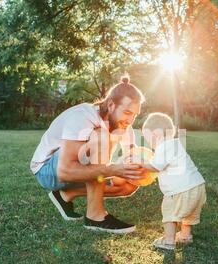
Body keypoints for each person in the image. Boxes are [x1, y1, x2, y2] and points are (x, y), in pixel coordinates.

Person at [30, 75, 146, 234]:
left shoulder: (124, 126)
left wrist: (146, 168)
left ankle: (66, 194)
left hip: (76, 171)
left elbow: (134, 156)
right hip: (48, 170)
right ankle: (95, 216)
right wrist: (113, 170)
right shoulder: (83, 116)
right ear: (111, 105)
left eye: (135, 115)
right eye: (127, 112)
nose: (130, 120)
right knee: (101, 136)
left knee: (128, 185)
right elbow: (64, 171)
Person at [139, 112, 206, 250]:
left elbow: (154, 166)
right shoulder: (176, 144)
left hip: (181, 190)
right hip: (198, 187)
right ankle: (185, 235)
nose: (150, 144)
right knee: (189, 213)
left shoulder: (164, 146)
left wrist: (141, 162)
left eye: (149, 139)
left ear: (156, 134)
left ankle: (169, 240)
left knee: (169, 211)